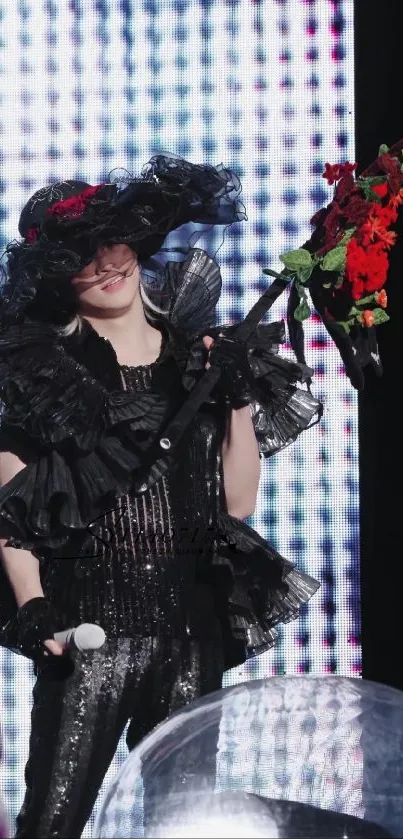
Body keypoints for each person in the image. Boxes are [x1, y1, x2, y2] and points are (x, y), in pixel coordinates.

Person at [0, 155, 321, 837]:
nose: (104, 263)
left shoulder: (199, 358)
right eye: (78, 256)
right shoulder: (39, 371)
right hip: (88, 638)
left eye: (111, 240)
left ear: (136, 241)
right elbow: (14, 512)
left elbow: (234, 505)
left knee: (184, 826)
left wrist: (234, 399)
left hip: (189, 634)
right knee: (49, 826)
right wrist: (33, 609)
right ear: (59, 278)